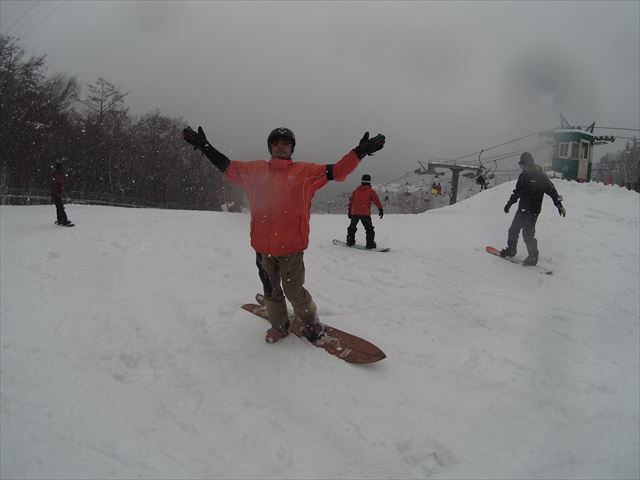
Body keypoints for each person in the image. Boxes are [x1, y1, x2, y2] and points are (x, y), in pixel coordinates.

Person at [183, 125, 385, 343]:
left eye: (286, 143)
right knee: (271, 291)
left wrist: (359, 152)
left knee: (294, 291)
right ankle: (279, 325)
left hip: (292, 248)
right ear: (270, 147)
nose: (281, 147)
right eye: (276, 143)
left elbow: (337, 171)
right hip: (263, 249)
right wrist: (204, 146)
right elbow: (227, 165)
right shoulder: (254, 171)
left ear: (292, 148)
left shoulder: (306, 173)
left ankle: (310, 320)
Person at [501, 152, 566, 266]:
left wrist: (559, 204)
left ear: (529, 164)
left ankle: (533, 257)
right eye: (521, 165)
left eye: (523, 165)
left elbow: (552, 191)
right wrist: (509, 204)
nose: (522, 168)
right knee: (513, 230)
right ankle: (511, 250)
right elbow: (517, 192)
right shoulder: (522, 176)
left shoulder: (540, 176)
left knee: (527, 234)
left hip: (533, 211)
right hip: (522, 209)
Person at [346, 174, 384, 249]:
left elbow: (351, 201)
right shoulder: (371, 191)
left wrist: (350, 211)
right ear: (369, 182)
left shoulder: (355, 191)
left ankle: (350, 241)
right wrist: (380, 209)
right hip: (365, 213)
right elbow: (376, 201)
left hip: (355, 212)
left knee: (352, 228)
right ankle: (370, 244)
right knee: (369, 229)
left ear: (361, 181)